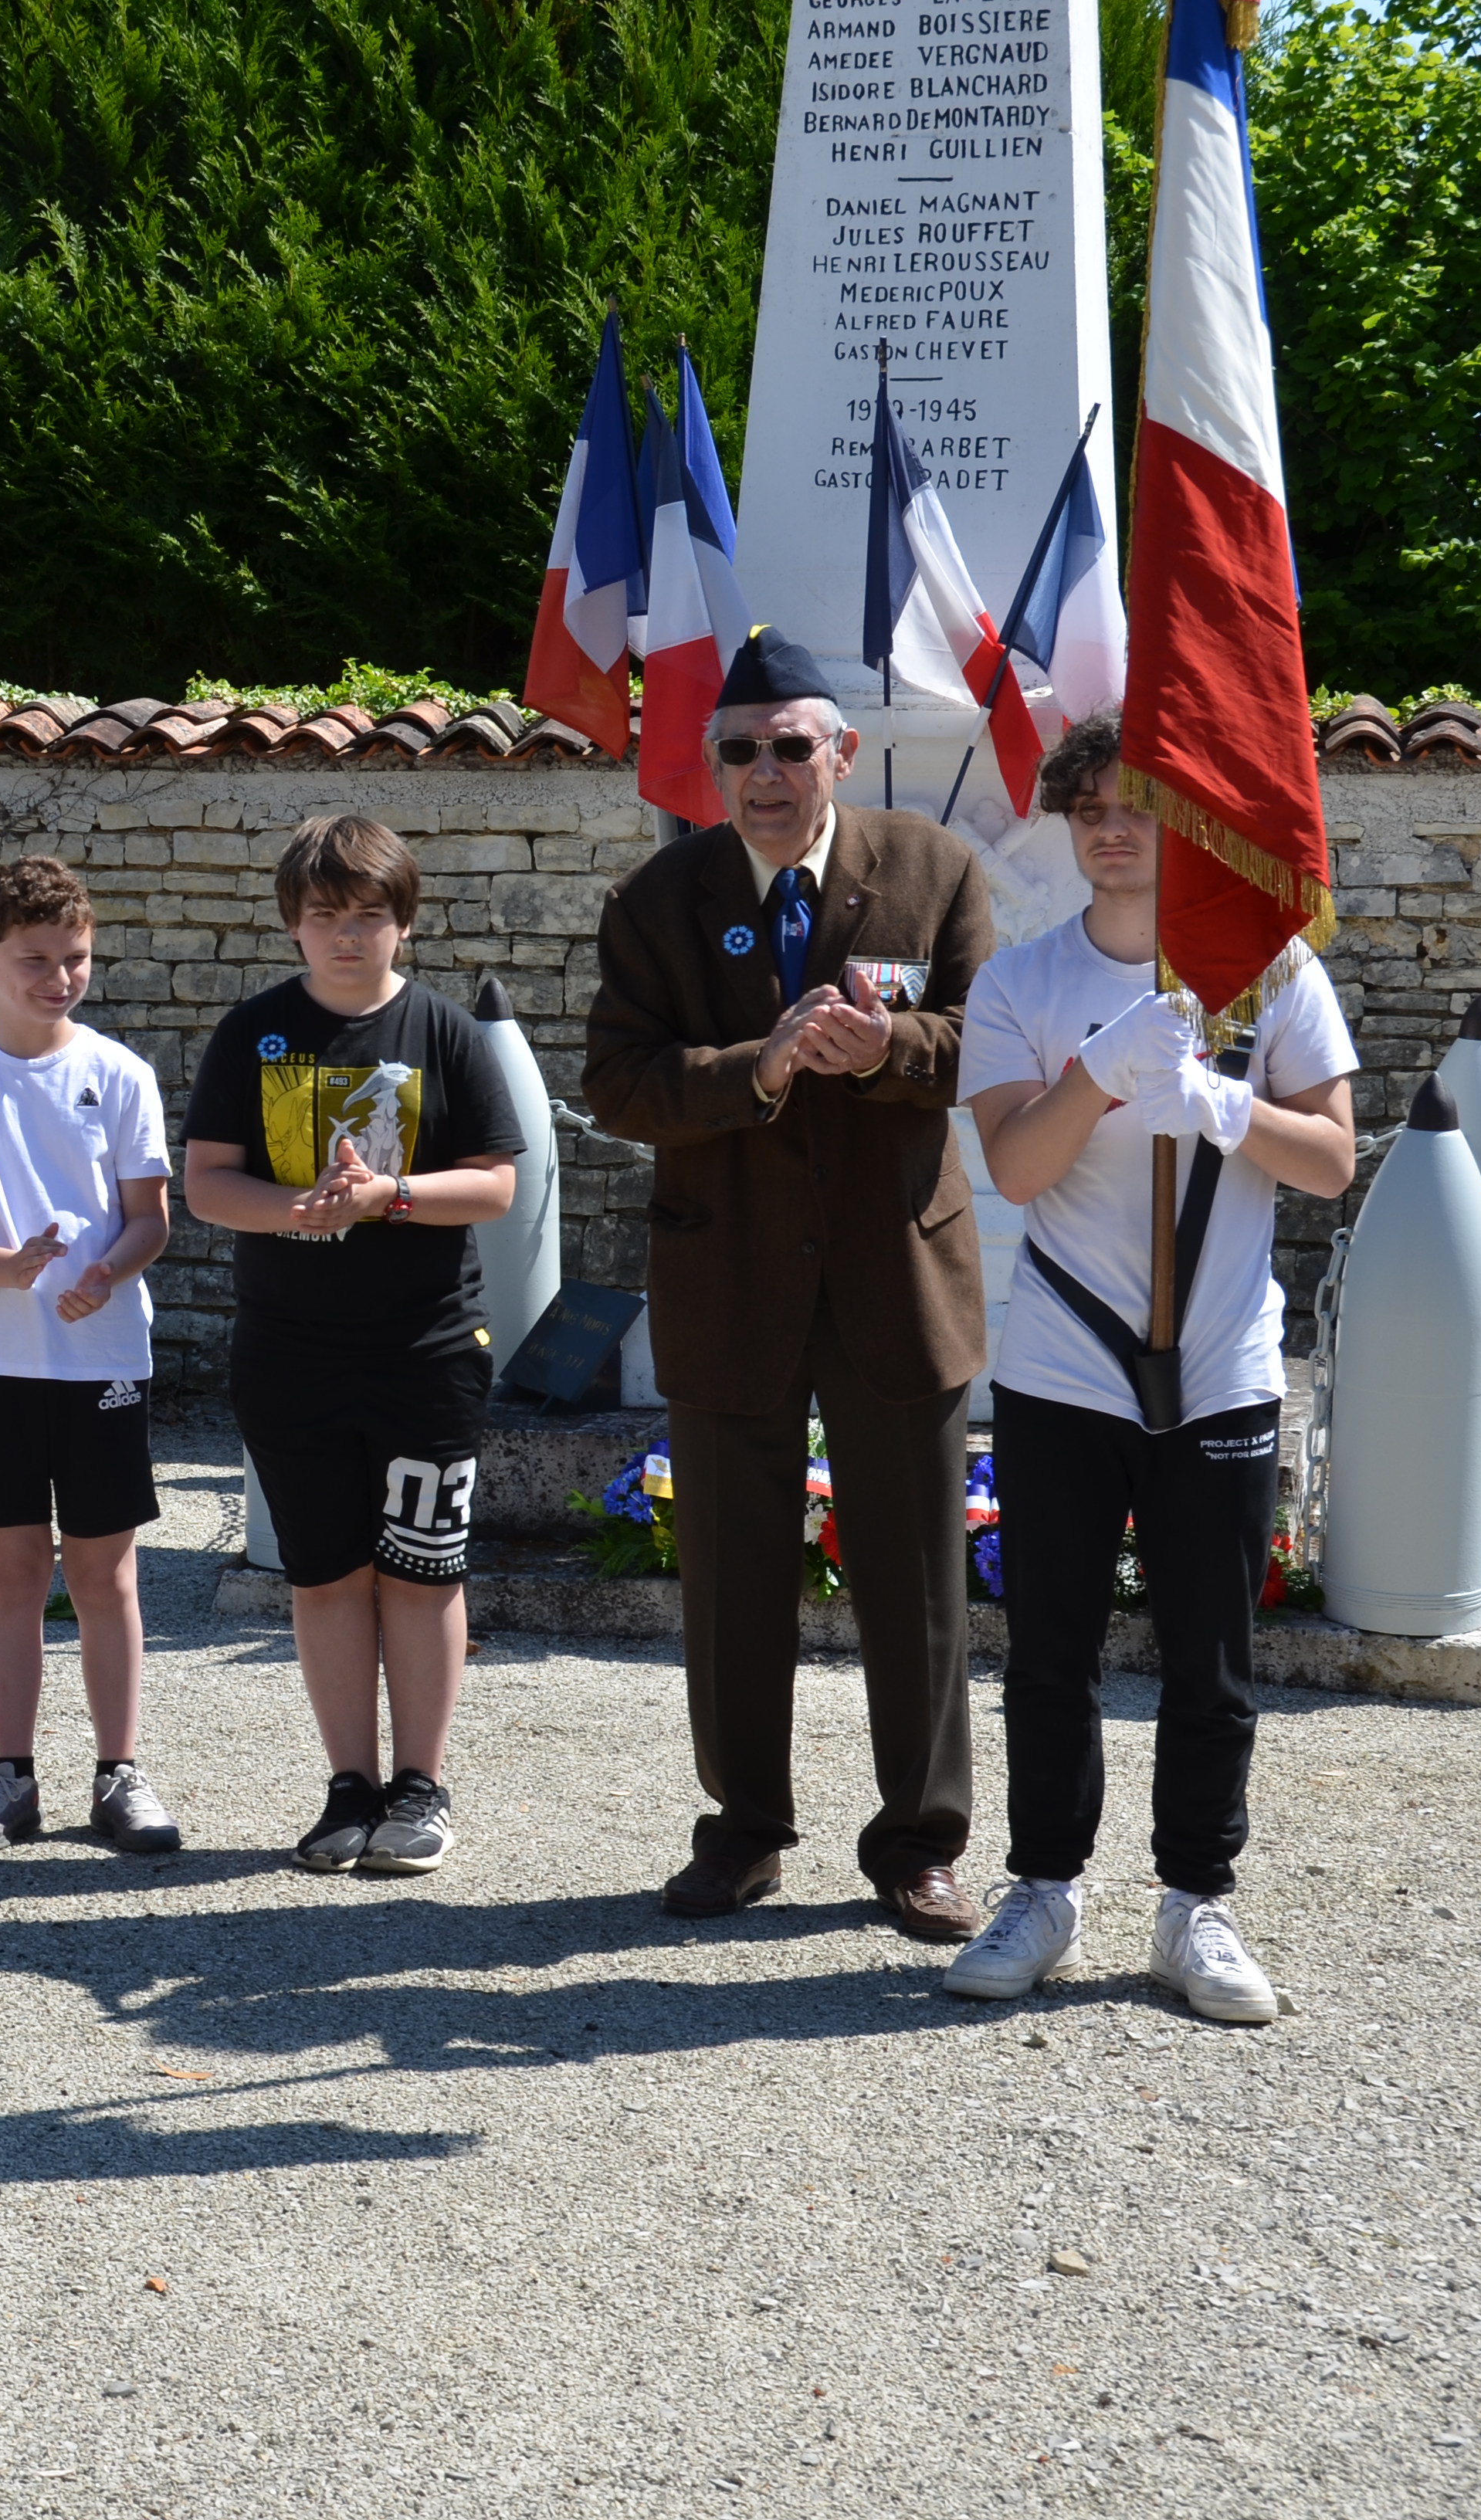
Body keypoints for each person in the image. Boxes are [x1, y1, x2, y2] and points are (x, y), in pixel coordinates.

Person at [942, 710, 1358, 2024]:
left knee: (1209, 1656)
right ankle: (1044, 1890)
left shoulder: (1272, 975)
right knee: (1050, 1647)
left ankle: (1195, 1905)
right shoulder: (1021, 983)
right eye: (1089, 811)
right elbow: (1017, 1169)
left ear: (1193, 825)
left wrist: (1227, 1106)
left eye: (1139, 807)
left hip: (1221, 1362)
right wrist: (1101, 1075)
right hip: (1066, 1365)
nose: (1112, 829)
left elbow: (1331, 1161)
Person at [581, 628, 995, 1942]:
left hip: (897, 1279)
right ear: (715, 764)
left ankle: (920, 1845)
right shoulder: (658, 900)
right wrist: (754, 1069)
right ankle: (745, 1831)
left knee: (917, 1587)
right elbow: (618, 1085)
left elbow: (990, 1044)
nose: (766, 773)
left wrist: (886, 1050)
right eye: (741, 751)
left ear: (843, 752)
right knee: (731, 1586)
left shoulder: (933, 870)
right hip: (729, 1282)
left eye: (791, 747)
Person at [181, 815, 520, 1876]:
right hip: (290, 1353)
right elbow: (207, 1185)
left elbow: (497, 1185)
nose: (346, 934)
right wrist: (300, 1210)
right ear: (293, 923)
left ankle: (420, 1786)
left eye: (369, 914)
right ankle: (349, 1787)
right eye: (325, 914)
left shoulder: (446, 1033)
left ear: (402, 924)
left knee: (421, 1571)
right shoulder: (252, 1032)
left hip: (427, 1349)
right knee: (325, 1576)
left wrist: (388, 1197)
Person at [0, 855, 181, 1855]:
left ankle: (120, 1774)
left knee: (105, 1574)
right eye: (36, 960)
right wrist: (9, 1265)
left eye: (76, 958)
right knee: (14, 1571)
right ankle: (12, 1777)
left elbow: (150, 1220)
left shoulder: (121, 1076)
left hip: (102, 1354)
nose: (60, 978)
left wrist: (105, 1272)